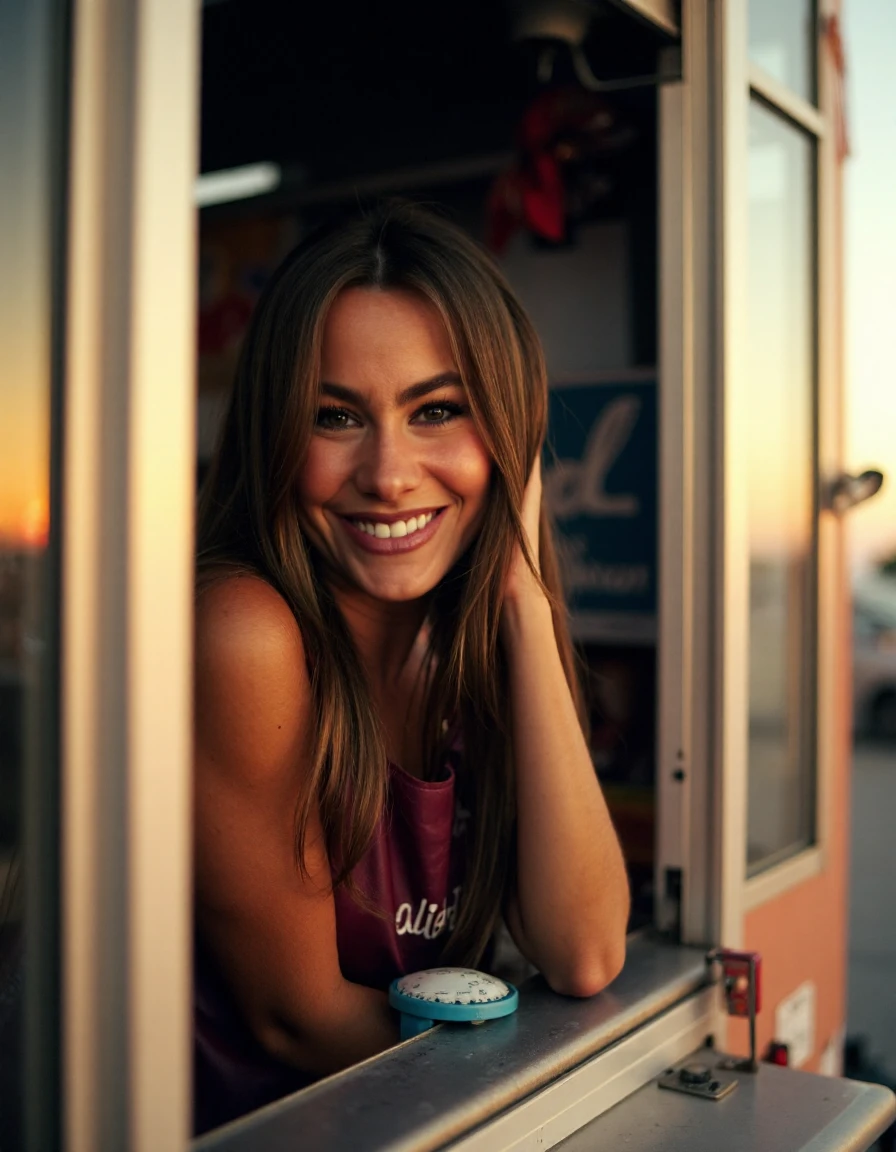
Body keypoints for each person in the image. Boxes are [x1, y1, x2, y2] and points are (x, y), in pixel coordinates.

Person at [193, 200, 630, 1134]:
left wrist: (522, 599)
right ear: (277, 434)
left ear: (508, 436)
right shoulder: (244, 632)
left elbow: (585, 950)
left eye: (437, 411)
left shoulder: (465, 648)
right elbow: (297, 1022)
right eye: (335, 415)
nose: (389, 474)